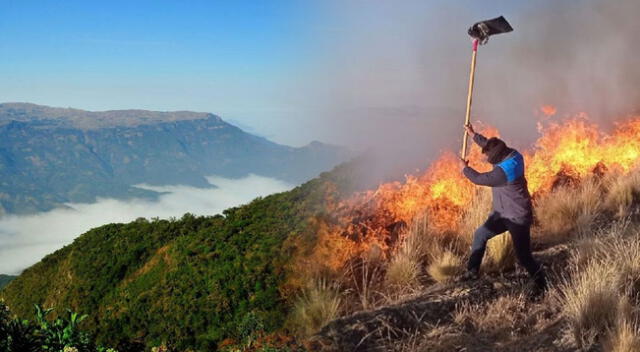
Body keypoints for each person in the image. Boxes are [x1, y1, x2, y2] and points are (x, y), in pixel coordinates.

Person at [459, 123, 547, 295]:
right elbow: (491, 145)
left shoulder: (503, 172)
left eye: (490, 160)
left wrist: (465, 169)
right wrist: (473, 135)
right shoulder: (513, 154)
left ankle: (542, 284)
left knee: (524, 256)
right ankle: (472, 272)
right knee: (480, 235)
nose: (488, 161)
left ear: (498, 159)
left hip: (517, 217)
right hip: (501, 213)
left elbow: (479, 178)